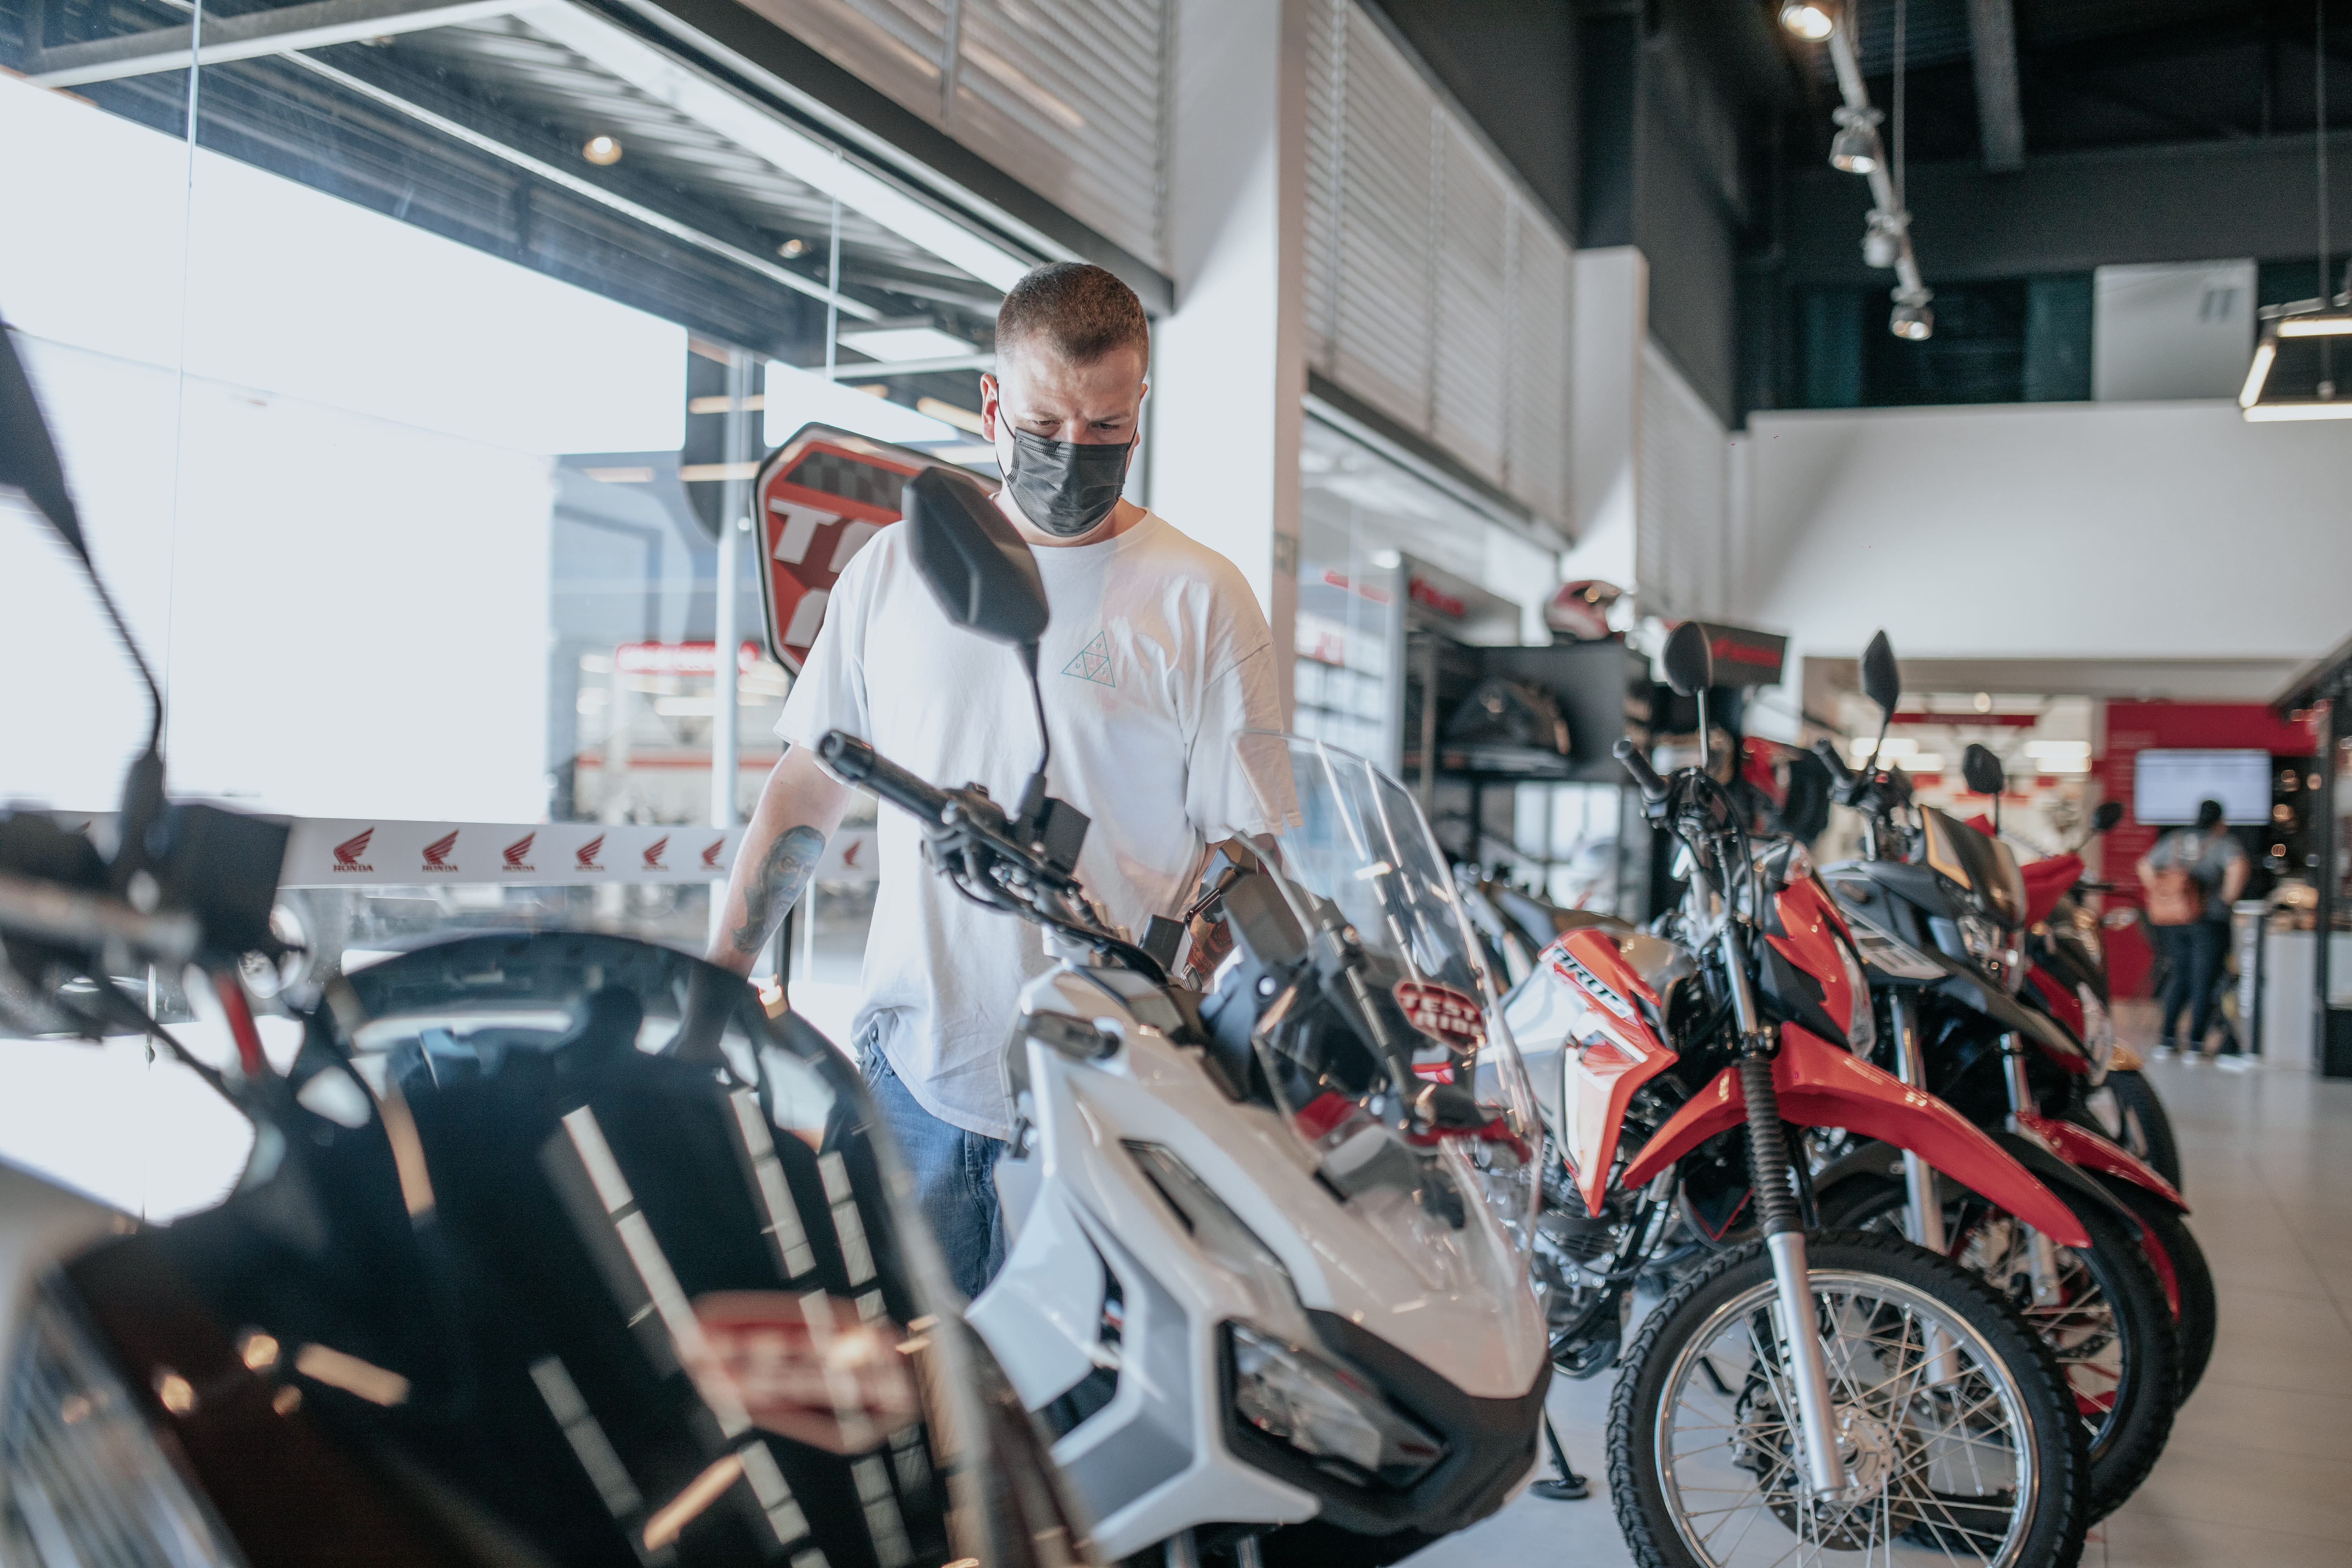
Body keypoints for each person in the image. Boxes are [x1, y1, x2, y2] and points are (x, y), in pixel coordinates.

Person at [705, 262, 1288, 1299]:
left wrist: (1211, 951)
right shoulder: (893, 571)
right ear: (989, 406)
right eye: (1044, 424)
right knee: (909, 1398)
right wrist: (717, 973)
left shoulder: (1202, 596)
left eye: (1106, 429)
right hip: (913, 1077)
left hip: (1111, 1088)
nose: (1073, 454)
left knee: (1081, 1425)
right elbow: (805, 791)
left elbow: (1249, 842)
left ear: (1140, 404)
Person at [2137, 798, 2249, 1066]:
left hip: (2174, 920)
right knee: (2204, 980)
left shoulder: (2175, 840)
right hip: (2209, 921)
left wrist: (2162, 892)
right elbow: (2238, 866)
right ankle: (2196, 1042)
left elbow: (2144, 864)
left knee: (2179, 976)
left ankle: (2167, 1039)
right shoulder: (2222, 843)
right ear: (2220, 821)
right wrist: (2227, 898)